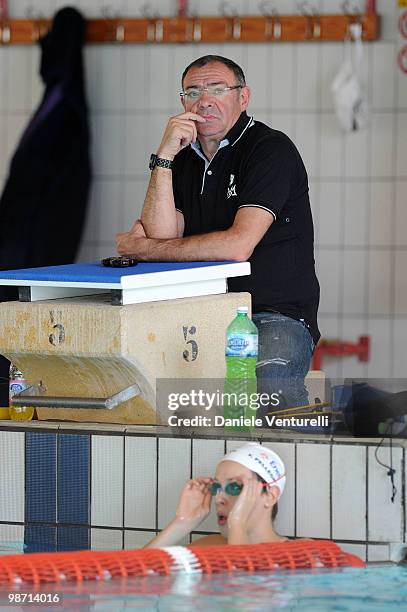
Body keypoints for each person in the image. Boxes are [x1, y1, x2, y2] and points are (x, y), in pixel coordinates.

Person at [116, 55, 320, 417]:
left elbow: (238, 246)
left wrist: (146, 249)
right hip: (200, 315)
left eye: (217, 89)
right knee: (150, 395)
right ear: (183, 102)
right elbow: (161, 233)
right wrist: (164, 155)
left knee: (266, 397)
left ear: (243, 98)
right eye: (193, 91)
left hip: (270, 315)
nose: (204, 100)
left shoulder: (269, 149)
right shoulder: (182, 159)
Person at [145, 442, 286, 547]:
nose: (218, 499)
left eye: (235, 487)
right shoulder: (209, 547)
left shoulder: (301, 552)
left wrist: (237, 523)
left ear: (271, 496)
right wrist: (181, 523)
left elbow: (243, 583)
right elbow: (134, 573)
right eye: (216, 487)